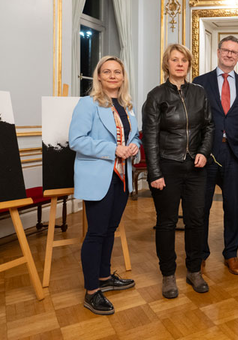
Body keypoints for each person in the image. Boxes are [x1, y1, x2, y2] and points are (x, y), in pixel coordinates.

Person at [69, 56, 140, 315]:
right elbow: (76, 140)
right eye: (107, 71)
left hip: (121, 177)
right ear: (98, 76)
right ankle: (91, 292)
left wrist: (135, 148)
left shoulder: (127, 106)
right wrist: (114, 149)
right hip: (98, 177)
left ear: (123, 77)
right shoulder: (87, 104)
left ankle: (103, 277)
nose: (112, 76)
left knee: (110, 230)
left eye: (117, 72)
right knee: (96, 233)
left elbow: (135, 139)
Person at [142, 44, 214, 296]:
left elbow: (209, 126)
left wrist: (204, 153)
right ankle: (168, 275)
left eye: (184, 59)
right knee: (167, 222)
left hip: (195, 167)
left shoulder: (199, 93)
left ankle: (194, 271)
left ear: (188, 64)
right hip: (167, 166)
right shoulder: (156, 96)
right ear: (167, 64)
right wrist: (155, 173)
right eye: (175, 59)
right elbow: (150, 138)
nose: (180, 63)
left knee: (196, 220)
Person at [193, 36, 238, 275]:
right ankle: (199, 254)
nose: (230, 55)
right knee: (202, 207)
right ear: (218, 52)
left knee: (232, 208)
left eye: (235, 52)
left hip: (236, 154)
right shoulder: (200, 83)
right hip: (207, 153)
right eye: (226, 50)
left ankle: (231, 254)